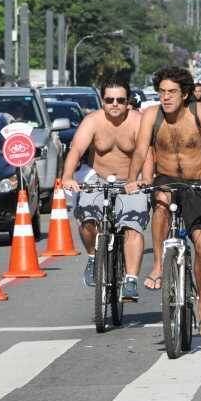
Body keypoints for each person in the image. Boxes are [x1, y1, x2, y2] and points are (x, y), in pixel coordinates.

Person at [127, 66, 201, 335]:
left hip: (199, 183)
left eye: (172, 92)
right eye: (162, 92)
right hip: (167, 179)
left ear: (185, 94)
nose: (166, 97)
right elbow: (140, 149)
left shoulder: (200, 112)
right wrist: (132, 179)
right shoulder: (151, 115)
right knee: (160, 202)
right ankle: (159, 265)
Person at [62, 80, 150, 302]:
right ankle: (93, 257)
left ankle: (130, 280)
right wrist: (68, 176)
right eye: (110, 100)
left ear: (128, 102)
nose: (115, 104)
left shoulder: (138, 121)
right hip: (99, 178)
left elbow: (147, 154)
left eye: (120, 100)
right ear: (103, 101)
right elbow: (77, 150)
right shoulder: (92, 121)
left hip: (132, 180)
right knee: (86, 218)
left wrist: (145, 180)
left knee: (132, 226)